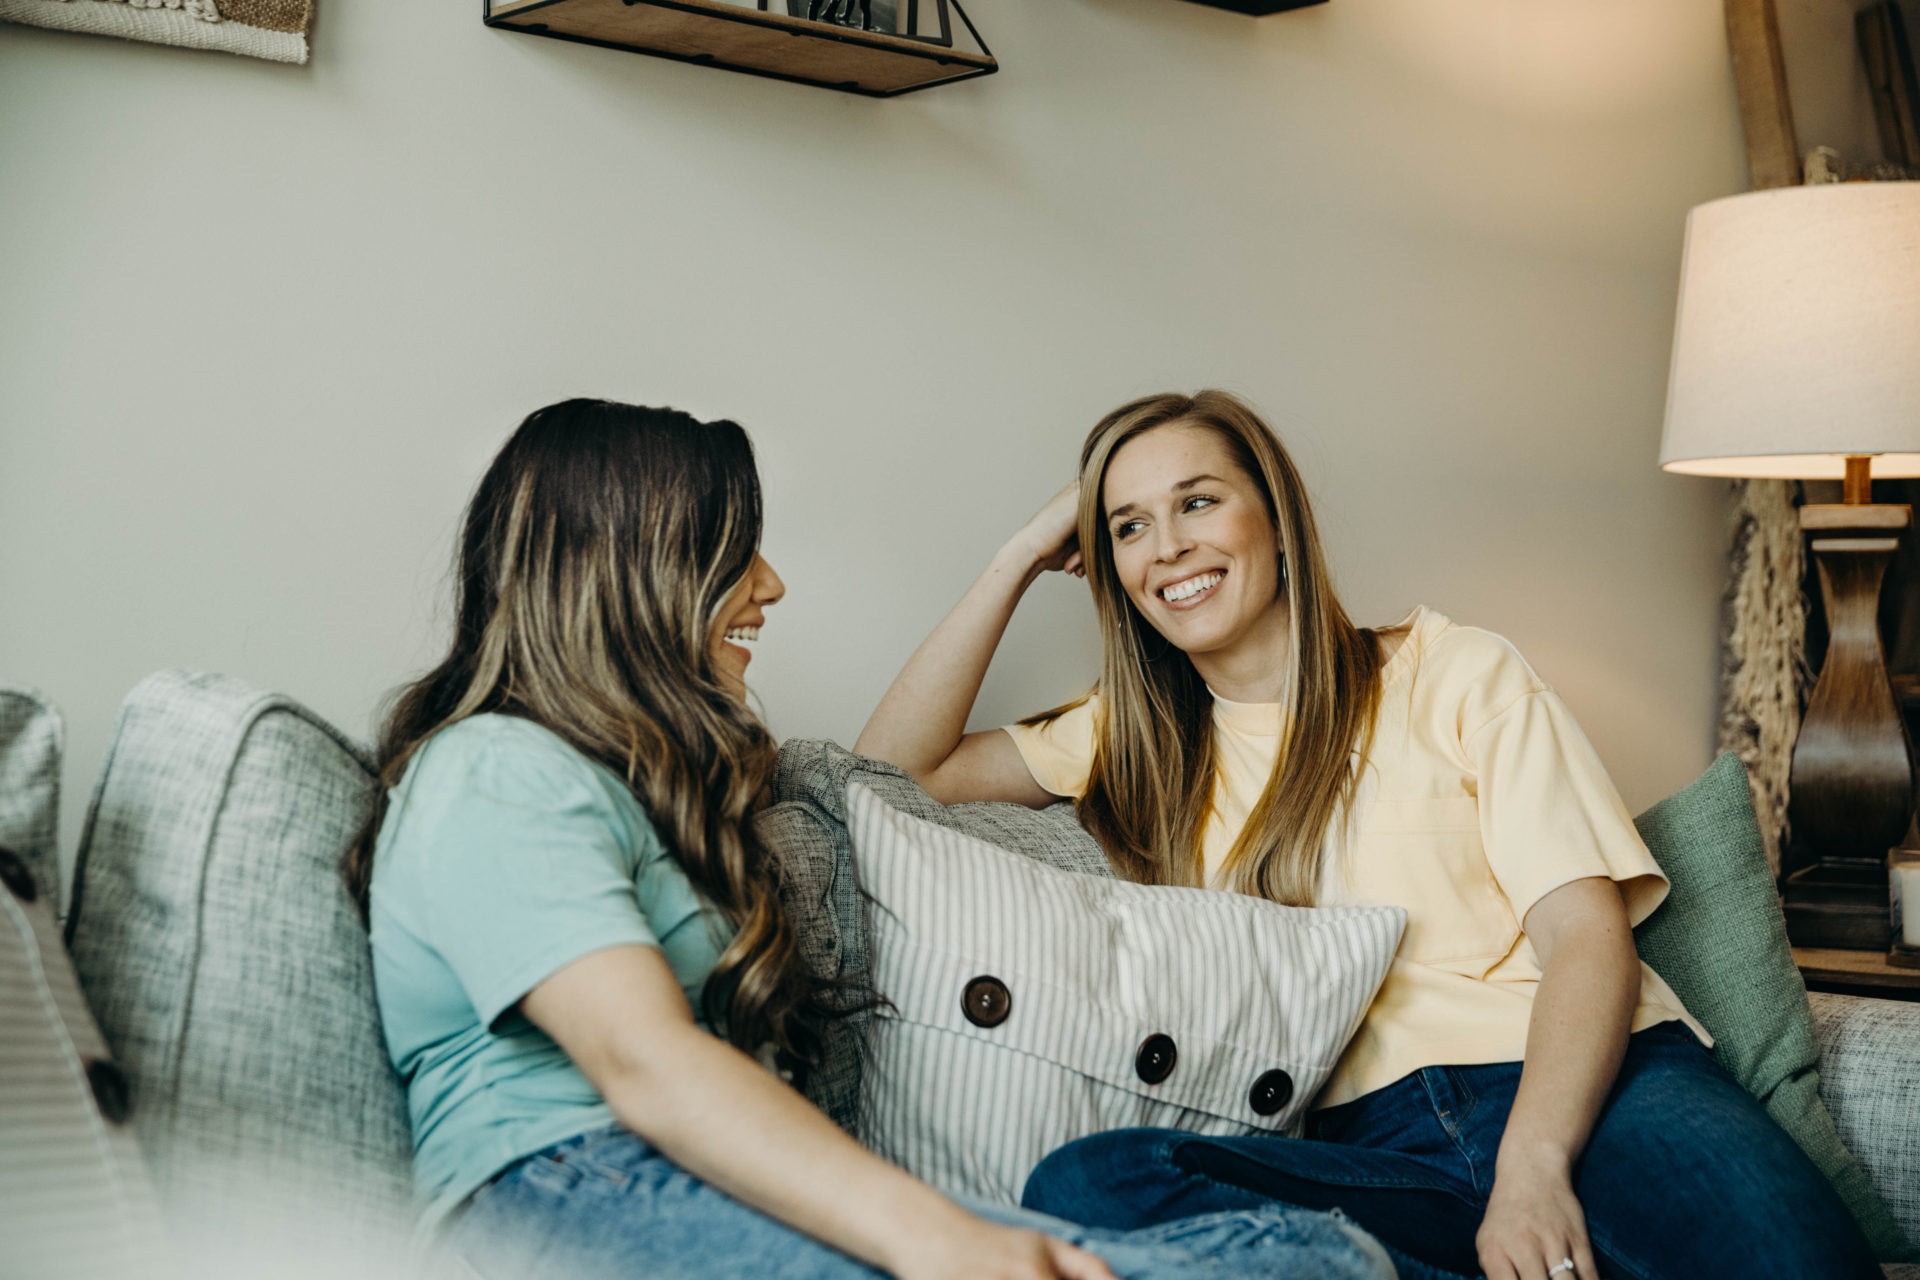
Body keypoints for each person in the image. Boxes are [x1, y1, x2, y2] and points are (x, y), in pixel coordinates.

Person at [343, 398, 1395, 1280]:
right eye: (731, 550)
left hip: (680, 1173)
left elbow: (872, 792)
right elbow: (645, 1062)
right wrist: (944, 1238)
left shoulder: (627, 790)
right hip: (572, 1187)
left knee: (1317, 1254)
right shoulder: (492, 766)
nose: (771, 584)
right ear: (631, 568)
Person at [856, 390, 1881, 1280]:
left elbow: (1585, 936)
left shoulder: (1453, 670)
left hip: (1599, 1087)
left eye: (1197, 501)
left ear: (1278, 518)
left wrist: (1532, 1167)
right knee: (1087, 1178)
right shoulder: (1133, 741)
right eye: (1125, 525)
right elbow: (886, 775)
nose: (1165, 545)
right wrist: (1021, 553)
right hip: (1367, 1148)